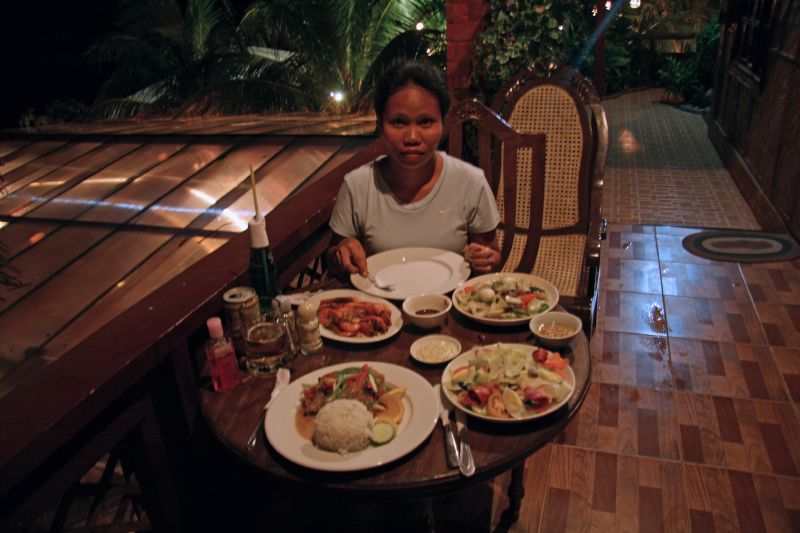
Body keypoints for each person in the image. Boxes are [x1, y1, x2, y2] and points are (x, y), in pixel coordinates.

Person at [326, 59, 501, 278]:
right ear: (381, 123)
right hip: (380, 307)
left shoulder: (470, 182)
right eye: (399, 122)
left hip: (449, 304)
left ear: (443, 123)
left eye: (426, 121)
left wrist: (485, 258)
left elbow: (491, 256)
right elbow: (334, 259)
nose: (412, 137)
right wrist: (341, 253)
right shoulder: (357, 186)